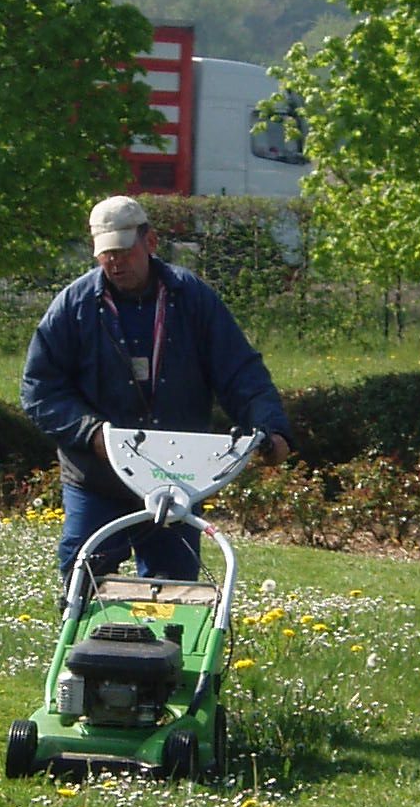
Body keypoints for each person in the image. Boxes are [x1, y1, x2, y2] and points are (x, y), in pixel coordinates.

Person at [21, 194, 294, 582]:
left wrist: (270, 428)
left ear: (151, 242)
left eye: (124, 251)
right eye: (106, 253)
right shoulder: (72, 307)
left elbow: (239, 370)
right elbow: (39, 390)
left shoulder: (193, 299)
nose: (115, 262)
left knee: (175, 592)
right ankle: (89, 643)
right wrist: (91, 433)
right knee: (84, 581)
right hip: (96, 478)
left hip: (177, 478)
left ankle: (166, 643)